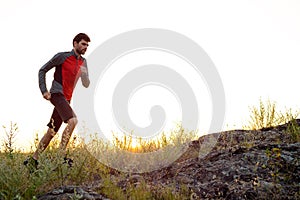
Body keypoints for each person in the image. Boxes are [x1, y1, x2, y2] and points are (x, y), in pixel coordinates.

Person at [24, 33, 91, 170]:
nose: (85, 47)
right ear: (75, 43)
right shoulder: (62, 57)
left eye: (87, 45)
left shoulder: (84, 62)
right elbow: (42, 70)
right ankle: (61, 157)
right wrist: (44, 90)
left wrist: (84, 74)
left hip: (66, 99)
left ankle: (33, 160)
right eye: (83, 44)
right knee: (73, 121)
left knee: (51, 132)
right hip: (57, 94)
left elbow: (86, 84)